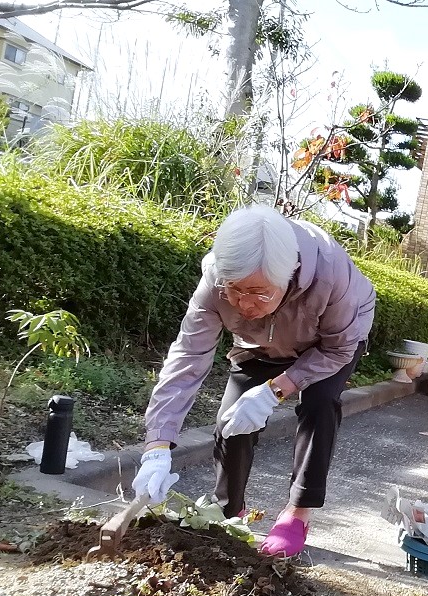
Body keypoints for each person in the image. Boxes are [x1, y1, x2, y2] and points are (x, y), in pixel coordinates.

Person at [132, 205, 376, 557]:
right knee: (230, 421)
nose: (245, 305)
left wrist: (277, 389)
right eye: (235, 290)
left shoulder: (331, 275)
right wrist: (157, 447)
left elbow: (339, 349)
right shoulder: (215, 281)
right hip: (260, 342)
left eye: (259, 292)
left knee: (320, 404)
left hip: (328, 345)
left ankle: (297, 514)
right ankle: (229, 511)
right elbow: (187, 358)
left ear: (288, 276)